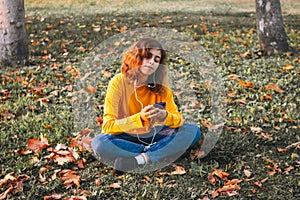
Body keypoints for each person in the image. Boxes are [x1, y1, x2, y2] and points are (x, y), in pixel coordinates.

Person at [91, 38, 201, 174]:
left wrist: (165, 116)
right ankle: (160, 151)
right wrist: (140, 118)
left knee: (193, 131)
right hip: (127, 136)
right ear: (137, 57)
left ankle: (140, 159)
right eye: (148, 56)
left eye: (156, 59)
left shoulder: (162, 88)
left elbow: (178, 120)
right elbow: (108, 127)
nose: (152, 62)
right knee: (99, 143)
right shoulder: (118, 82)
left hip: (156, 134)